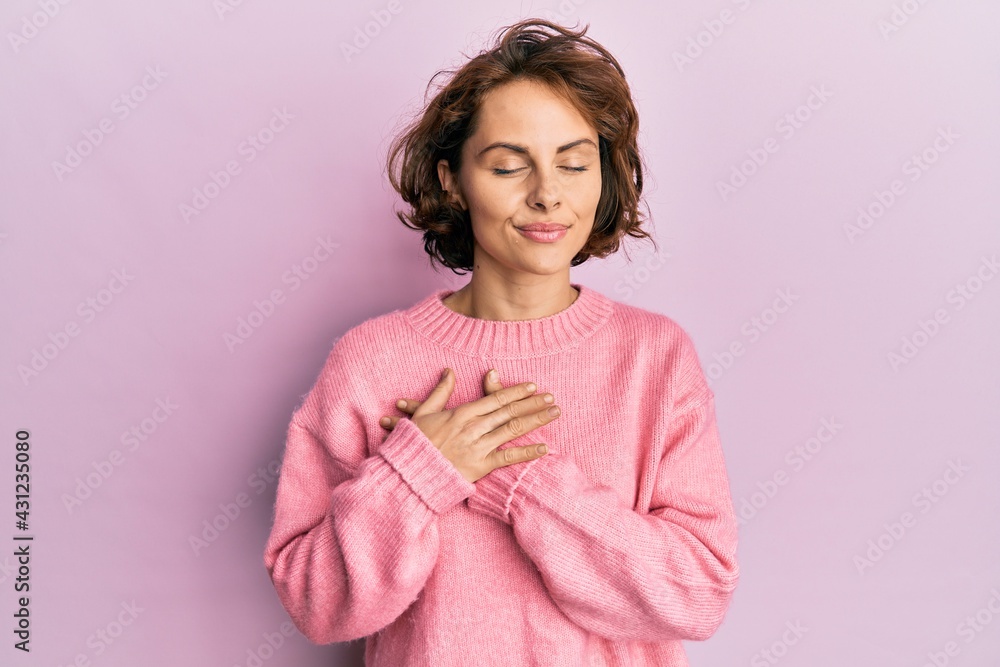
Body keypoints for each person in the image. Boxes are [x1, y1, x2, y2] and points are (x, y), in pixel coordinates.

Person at [263, 18, 739, 667]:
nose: (547, 194)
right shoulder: (371, 359)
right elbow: (315, 605)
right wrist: (417, 472)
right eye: (509, 166)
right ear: (453, 179)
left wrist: (526, 486)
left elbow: (697, 594)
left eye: (574, 163)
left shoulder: (653, 356)